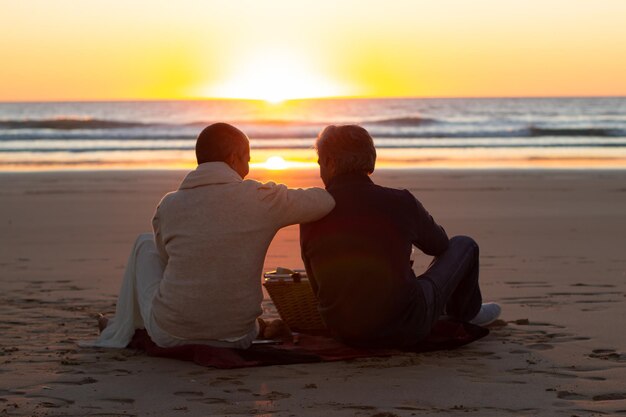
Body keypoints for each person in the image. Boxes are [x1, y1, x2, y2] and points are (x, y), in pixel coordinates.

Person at [90, 123, 335, 349]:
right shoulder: (261, 199)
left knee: (145, 245)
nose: (247, 169)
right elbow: (323, 201)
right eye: (246, 160)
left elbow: (165, 260)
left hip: (171, 335)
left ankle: (121, 326)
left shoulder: (169, 205)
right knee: (150, 246)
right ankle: (121, 325)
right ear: (233, 158)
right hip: (239, 335)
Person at [300, 125, 500, 348]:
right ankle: (466, 313)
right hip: (405, 325)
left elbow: (318, 288)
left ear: (330, 162)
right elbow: (441, 245)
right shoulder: (401, 201)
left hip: (343, 331)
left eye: (319, 164)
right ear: (371, 160)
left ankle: (457, 311)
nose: (320, 172)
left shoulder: (311, 212)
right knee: (464, 244)